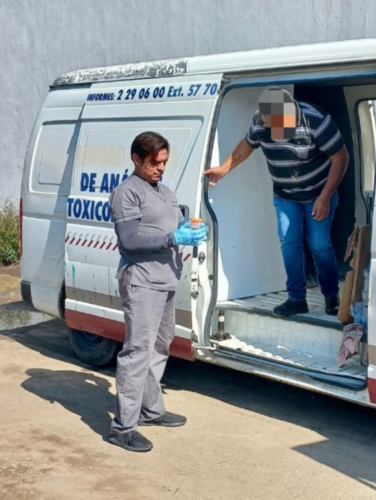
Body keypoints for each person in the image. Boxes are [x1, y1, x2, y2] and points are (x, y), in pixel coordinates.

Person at [203, 87, 349, 317]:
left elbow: (340, 157)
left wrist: (326, 196)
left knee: (319, 245)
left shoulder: (315, 120)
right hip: (285, 195)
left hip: (318, 193)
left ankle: (331, 296)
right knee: (289, 243)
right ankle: (296, 299)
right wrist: (223, 169)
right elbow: (246, 146)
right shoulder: (260, 122)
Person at [107, 131, 208, 453]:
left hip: (165, 280)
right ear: (137, 159)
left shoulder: (163, 191)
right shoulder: (127, 193)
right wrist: (172, 240)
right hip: (142, 281)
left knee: (159, 347)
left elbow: (171, 225)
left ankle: (151, 410)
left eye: (164, 162)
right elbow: (129, 240)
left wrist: (190, 230)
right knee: (137, 351)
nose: (161, 168)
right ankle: (123, 428)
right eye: (154, 162)